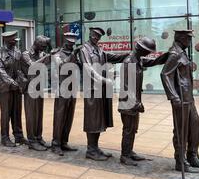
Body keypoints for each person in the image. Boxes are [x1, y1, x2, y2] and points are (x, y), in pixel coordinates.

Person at [160, 29, 199, 172]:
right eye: (188, 39)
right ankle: (180, 161)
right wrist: (173, 96)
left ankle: (192, 156)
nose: (190, 41)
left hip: (188, 98)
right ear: (181, 38)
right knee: (181, 131)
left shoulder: (182, 52)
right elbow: (165, 74)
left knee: (195, 126)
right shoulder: (175, 54)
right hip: (180, 98)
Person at [79, 27, 128, 161]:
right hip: (92, 90)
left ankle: (95, 147)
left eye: (98, 36)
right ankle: (90, 149)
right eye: (94, 35)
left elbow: (114, 56)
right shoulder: (84, 50)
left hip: (101, 90)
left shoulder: (99, 50)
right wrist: (104, 80)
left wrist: (130, 53)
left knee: (99, 119)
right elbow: (87, 67)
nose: (96, 38)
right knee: (92, 119)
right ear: (90, 34)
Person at [118, 37, 168, 166]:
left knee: (133, 128)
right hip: (128, 102)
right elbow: (127, 86)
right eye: (147, 51)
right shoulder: (129, 61)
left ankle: (129, 151)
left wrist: (168, 54)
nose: (148, 54)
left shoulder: (138, 59)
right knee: (128, 129)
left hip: (134, 102)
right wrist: (136, 103)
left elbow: (153, 61)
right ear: (141, 49)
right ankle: (125, 155)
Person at [0, 31, 28, 147]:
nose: (15, 41)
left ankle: (19, 136)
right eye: (13, 39)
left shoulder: (17, 51)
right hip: (5, 88)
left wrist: (22, 80)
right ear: (6, 39)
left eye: (15, 39)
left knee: (17, 112)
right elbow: (1, 71)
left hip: (16, 87)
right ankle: (5, 137)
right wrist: (11, 82)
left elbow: (19, 69)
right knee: (6, 112)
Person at [50, 32, 80, 156]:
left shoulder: (73, 54)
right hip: (62, 90)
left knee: (69, 116)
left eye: (73, 44)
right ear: (65, 43)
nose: (72, 46)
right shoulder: (57, 54)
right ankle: (55, 143)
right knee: (60, 117)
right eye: (70, 44)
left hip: (72, 89)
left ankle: (64, 141)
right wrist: (73, 55)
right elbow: (61, 66)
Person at [21, 35, 52, 151]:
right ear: (37, 44)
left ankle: (38, 137)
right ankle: (32, 141)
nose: (44, 49)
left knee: (39, 114)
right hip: (29, 87)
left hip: (39, 86)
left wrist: (50, 51)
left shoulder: (41, 53)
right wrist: (45, 57)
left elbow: (50, 60)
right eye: (43, 46)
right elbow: (33, 66)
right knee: (31, 115)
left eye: (45, 47)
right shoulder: (26, 54)